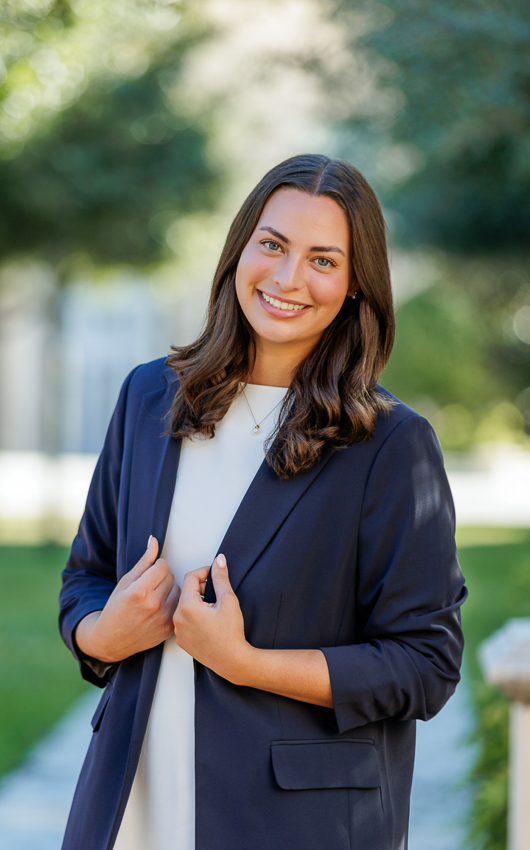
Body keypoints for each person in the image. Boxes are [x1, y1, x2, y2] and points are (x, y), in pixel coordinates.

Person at [59, 153, 467, 850]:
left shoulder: (390, 445)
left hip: (292, 824)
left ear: (356, 284)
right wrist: (104, 635)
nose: (287, 278)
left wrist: (244, 661)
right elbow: (87, 577)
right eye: (272, 245)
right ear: (239, 250)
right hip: (133, 802)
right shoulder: (148, 396)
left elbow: (424, 665)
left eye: (322, 260)